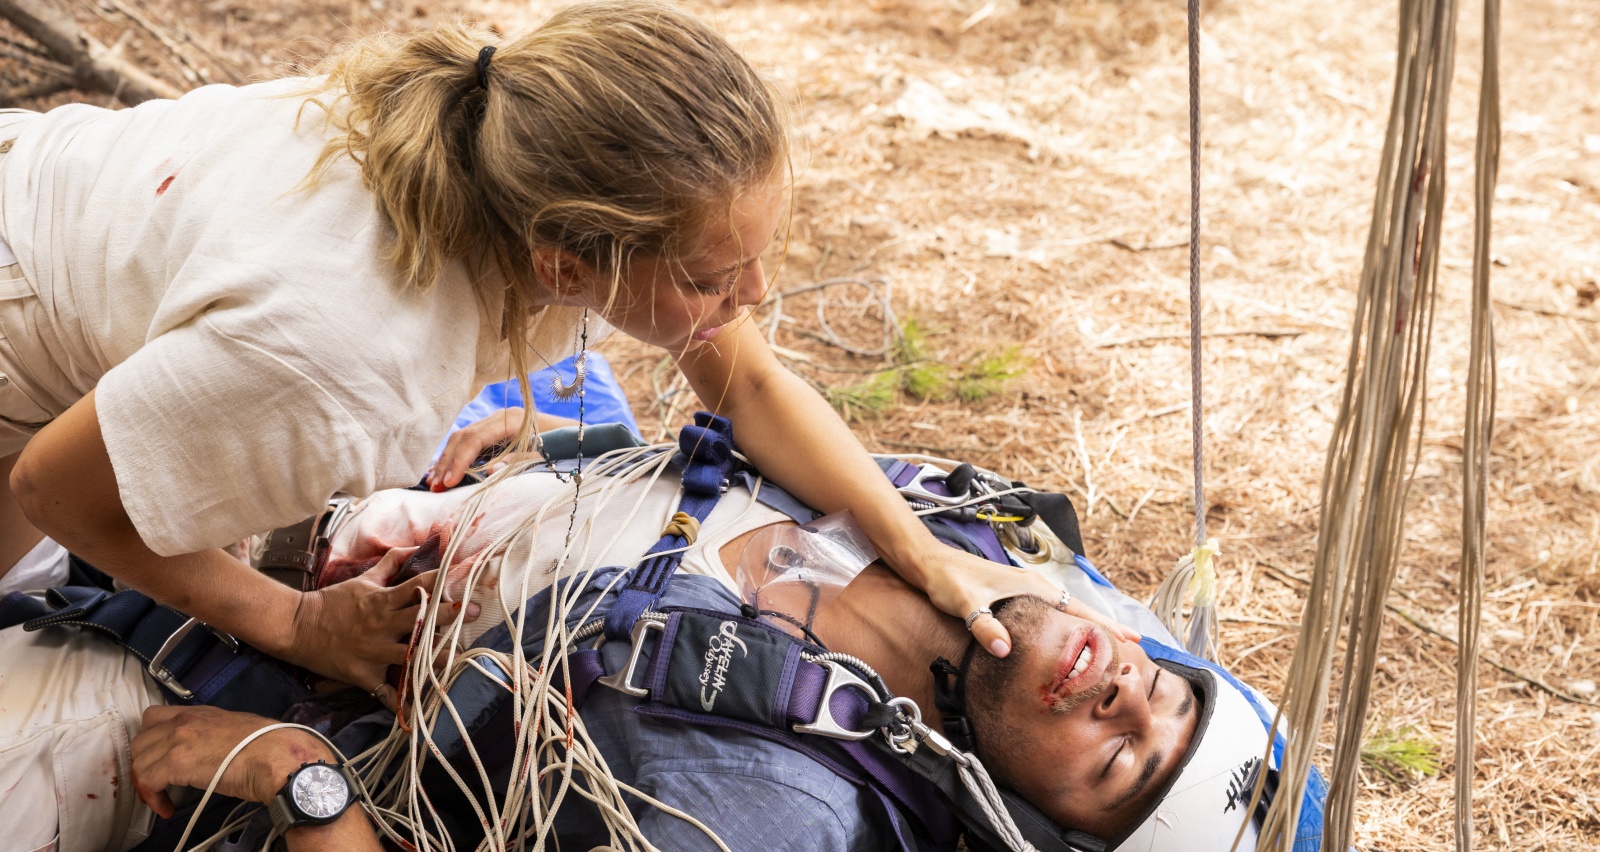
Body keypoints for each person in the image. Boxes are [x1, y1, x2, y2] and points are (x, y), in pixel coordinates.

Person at [0, 1, 1097, 710]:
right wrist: (296, 621)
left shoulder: (507, 146)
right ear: (564, 265)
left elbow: (748, 377)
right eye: (716, 279)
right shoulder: (351, 360)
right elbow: (53, 483)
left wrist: (917, 550)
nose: (753, 297)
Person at [0, 452, 1201, 852]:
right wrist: (470, 492)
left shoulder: (778, 818)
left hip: (161, 685)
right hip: (288, 509)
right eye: (1160, 690)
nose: (1119, 694)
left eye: (1111, 762)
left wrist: (298, 774)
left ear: (1025, 826)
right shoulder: (951, 516)